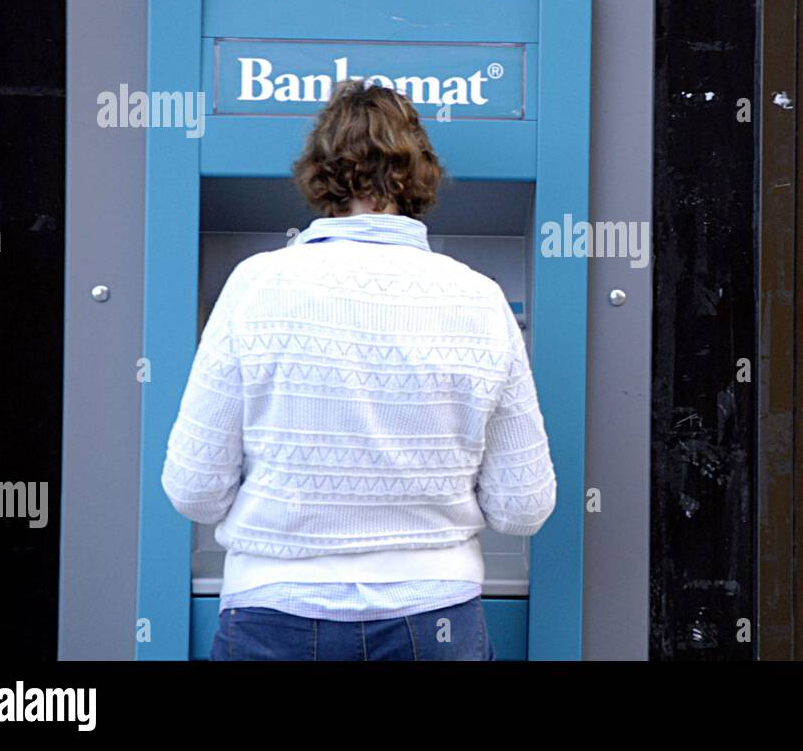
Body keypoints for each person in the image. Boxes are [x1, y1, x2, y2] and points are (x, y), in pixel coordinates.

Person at [160, 81, 556, 661]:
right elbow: (524, 507)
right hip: (435, 618)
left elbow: (193, 490)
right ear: (421, 174)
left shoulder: (255, 285)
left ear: (321, 173)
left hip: (275, 613)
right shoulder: (480, 298)